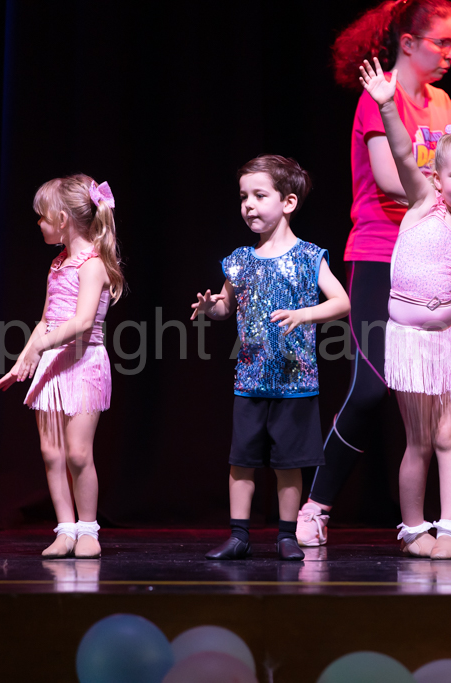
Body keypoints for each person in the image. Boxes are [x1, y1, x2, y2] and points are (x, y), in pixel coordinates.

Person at [298, 0, 451, 549]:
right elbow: (395, 177)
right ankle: (317, 505)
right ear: (409, 43)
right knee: (371, 388)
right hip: (381, 253)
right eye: (442, 41)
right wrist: (447, 169)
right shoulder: (380, 97)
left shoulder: (441, 101)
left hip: (439, 259)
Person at [359, 57, 451, 560]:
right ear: (436, 178)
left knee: (450, 436)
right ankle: (415, 528)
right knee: (418, 440)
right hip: (410, 341)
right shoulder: (423, 204)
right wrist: (386, 106)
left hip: (449, 340)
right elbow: (400, 152)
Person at [193, 156, 350, 561]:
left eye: (259, 195)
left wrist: (303, 314)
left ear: (288, 202)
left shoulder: (308, 256)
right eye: (243, 196)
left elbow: (341, 302)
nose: (248, 204)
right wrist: (211, 308)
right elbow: (227, 306)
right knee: (241, 460)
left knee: (288, 463)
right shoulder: (240, 260)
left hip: (295, 381)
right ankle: (239, 535)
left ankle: (286, 535)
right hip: (250, 378)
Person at [0, 175, 123, 560]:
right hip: (53, 363)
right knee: (52, 454)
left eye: (42, 216)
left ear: (62, 219)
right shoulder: (57, 263)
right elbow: (47, 320)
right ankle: (65, 529)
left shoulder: (93, 264)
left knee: (78, 454)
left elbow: (82, 322)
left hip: (83, 363)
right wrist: (25, 358)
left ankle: (88, 528)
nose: (39, 223)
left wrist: (41, 347)